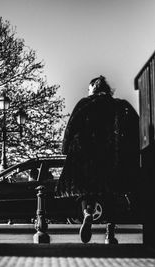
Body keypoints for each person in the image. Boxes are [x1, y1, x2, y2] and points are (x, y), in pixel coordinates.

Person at [55, 75, 139, 244]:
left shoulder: (84, 104)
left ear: (93, 87)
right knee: (111, 192)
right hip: (110, 155)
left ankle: (87, 213)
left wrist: (65, 149)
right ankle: (110, 232)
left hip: (86, 156)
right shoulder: (118, 106)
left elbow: (71, 127)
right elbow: (135, 125)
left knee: (87, 191)